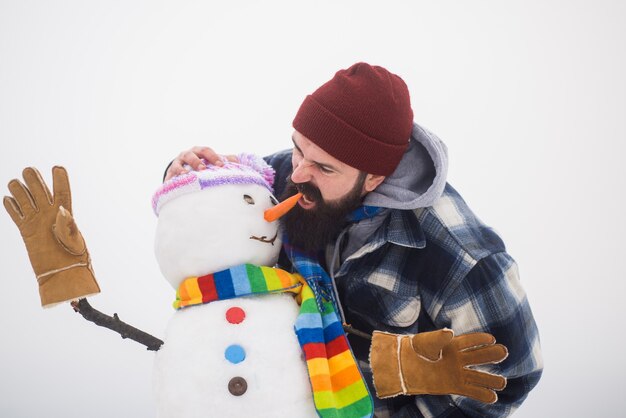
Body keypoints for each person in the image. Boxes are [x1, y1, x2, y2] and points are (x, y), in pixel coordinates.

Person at [164, 62, 543, 418]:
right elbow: (221, 201)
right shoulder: (287, 175)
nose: (296, 173)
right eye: (298, 147)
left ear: (375, 178)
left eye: (324, 167)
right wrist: (183, 175)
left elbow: (515, 372)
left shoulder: (458, 253)